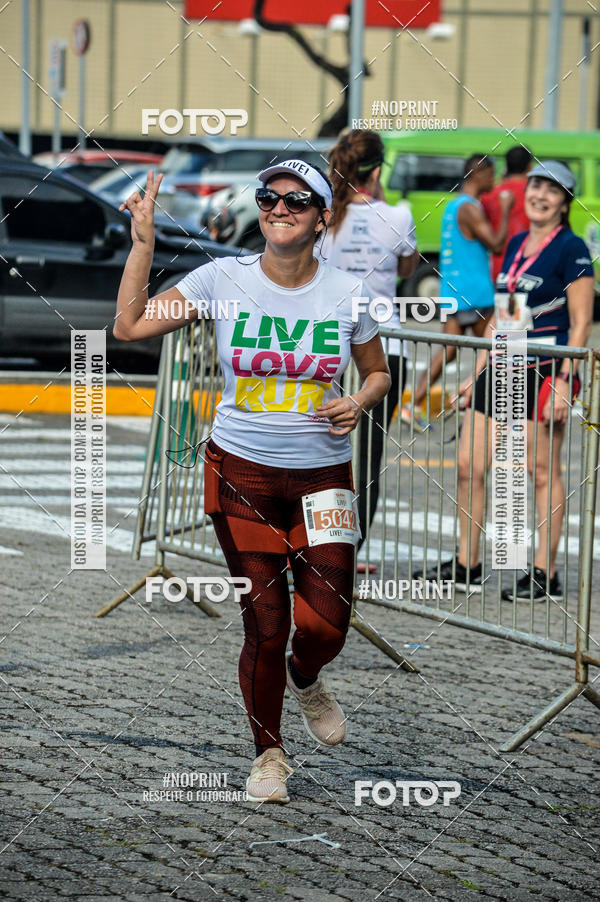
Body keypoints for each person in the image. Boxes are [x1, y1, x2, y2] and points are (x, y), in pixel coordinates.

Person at [113, 164, 390, 803]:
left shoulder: (352, 292)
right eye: (269, 198)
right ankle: (270, 756)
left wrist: (361, 400)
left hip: (323, 478)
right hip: (241, 473)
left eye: (297, 200)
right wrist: (143, 245)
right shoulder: (223, 278)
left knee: (325, 625)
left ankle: (306, 673)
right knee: (264, 623)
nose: (279, 207)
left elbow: (377, 373)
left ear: (323, 218)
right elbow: (130, 327)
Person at [417, 161, 594, 601]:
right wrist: (474, 374)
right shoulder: (516, 244)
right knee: (468, 466)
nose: (539, 195)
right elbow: (503, 316)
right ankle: (466, 564)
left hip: (546, 369)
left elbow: (581, 323)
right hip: (502, 363)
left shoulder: (572, 250)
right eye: (536, 186)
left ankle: (543, 572)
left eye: (551, 191)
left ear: (564, 202)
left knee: (539, 471)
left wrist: (565, 381)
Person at [321, 129, 419, 564]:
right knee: (367, 457)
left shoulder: (325, 215)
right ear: (378, 169)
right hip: (381, 348)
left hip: (326, 347)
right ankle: (347, 551)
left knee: (319, 451)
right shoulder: (398, 216)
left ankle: (313, 547)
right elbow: (405, 266)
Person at [407, 154, 513, 425]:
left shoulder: (454, 207)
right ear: (478, 173)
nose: (495, 180)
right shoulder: (470, 208)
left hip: (454, 291)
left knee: (449, 350)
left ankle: (414, 403)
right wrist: (506, 210)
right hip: (475, 292)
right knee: (494, 350)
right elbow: (497, 244)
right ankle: (476, 404)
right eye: (492, 174)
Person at [481, 144, 532, 283]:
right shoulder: (535, 194)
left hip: (499, 268)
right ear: (529, 167)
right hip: (529, 269)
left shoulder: (489, 195)